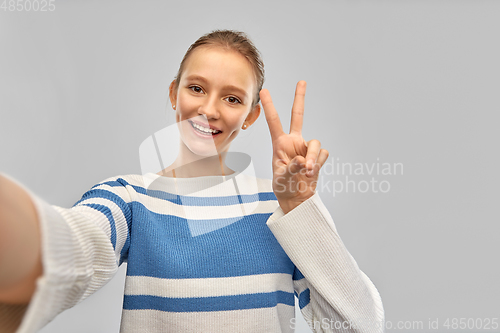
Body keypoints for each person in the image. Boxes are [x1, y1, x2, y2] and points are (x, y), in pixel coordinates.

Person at [0, 30, 385, 332]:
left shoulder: (280, 207)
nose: (209, 109)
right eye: (196, 88)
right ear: (174, 92)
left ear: (250, 117)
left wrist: (300, 207)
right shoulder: (131, 197)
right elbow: (68, 245)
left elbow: (358, 327)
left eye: (232, 99)